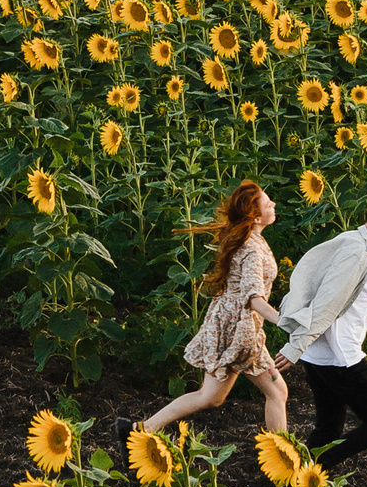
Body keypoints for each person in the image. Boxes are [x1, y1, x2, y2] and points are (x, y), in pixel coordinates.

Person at [122, 181, 288, 450]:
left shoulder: (250, 239)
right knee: (276, 391)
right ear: (256, 217)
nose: (274, 205)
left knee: (211, 396)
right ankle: (283, 458)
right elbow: (254, 298)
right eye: (268, 203)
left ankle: (138, 430)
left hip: (232, 325)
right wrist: (284, 321)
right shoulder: (252, 249)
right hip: (239, 329)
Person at [273, 195, 367, 465]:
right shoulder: (357, 253)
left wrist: (300, 343)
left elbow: (308, 275)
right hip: (340, 357)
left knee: (328, 429)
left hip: (317, 355)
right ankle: (310, 474)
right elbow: (327, 303)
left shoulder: (350, 239)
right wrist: (295, 345)